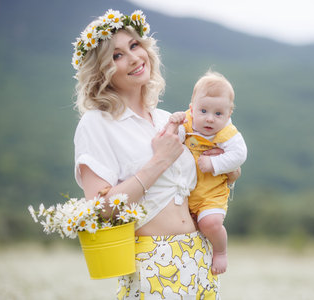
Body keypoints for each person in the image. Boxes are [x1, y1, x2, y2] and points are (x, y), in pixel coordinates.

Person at [72, 9, 238, 299]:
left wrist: (230, 171)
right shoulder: (96, 123)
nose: (134, 58)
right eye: (116, 55)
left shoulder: (168, 119)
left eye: (134, 46)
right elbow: (100, 211)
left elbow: (200, 181)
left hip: (199, 254)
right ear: (101, 71)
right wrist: (160, 160)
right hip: (150, 261)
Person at [168, 71, 247, 275]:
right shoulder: (187, 122)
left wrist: (214, 163)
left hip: (212, 194)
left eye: (218, 114)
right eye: (203, 111)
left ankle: (220, 251)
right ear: (192, 108)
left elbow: (240, 155)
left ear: (229, 114)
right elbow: (171, 139)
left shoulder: (227, 134)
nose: (210, 119)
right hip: (185, 194)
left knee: (210, 223)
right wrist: (174, 124)